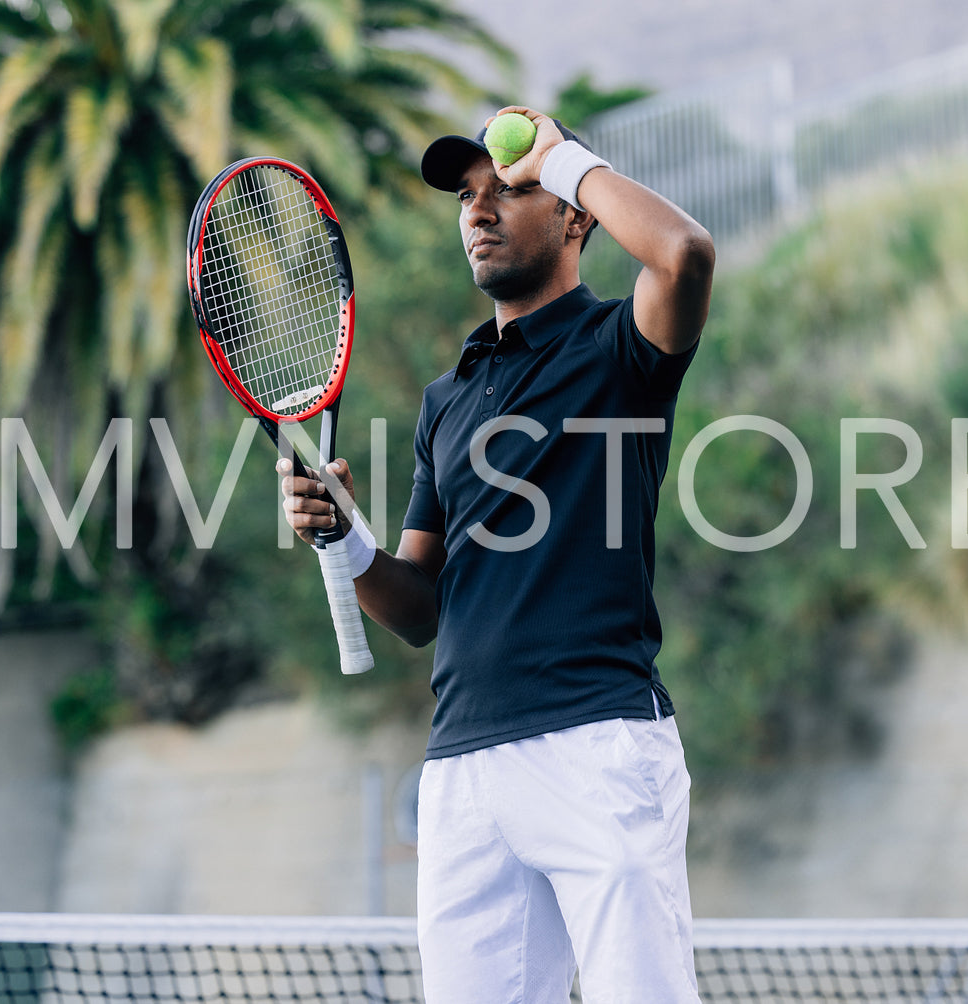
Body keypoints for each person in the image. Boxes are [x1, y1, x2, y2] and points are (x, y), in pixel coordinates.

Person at [279, 105, 715, 1002]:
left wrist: (560, 159)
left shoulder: (616, 350)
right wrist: (343, 534)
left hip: (596, 746)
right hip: (463, 770)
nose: (479, 210)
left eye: (509, 190)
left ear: (571, 215)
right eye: (468, 198)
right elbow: (417, 609)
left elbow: (683, 254)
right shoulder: (449, 397)